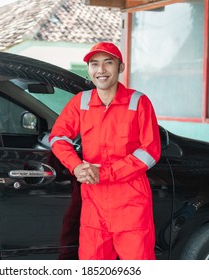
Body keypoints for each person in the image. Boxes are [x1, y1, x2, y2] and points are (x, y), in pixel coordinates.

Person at [49, 42, 161, 260]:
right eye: (94, 64)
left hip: (131, 204)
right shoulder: (80, 102)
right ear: (89, 69)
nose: (101, 70)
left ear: (120, 67)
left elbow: (150, 150)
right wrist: (76, 165)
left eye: (108, 63)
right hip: (94, 206)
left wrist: (106, 173)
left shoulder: (138, 102)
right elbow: (58, 137)